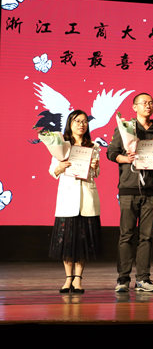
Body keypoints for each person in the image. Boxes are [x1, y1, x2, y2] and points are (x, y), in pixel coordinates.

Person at [107, 93, 153, 292]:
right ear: (135, 107)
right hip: (128, 187)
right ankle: (123, 279)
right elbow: (111, 153)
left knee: (146, 236)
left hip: (151, 188)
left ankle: (143, 278)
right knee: (126, 235)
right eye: (144, 103)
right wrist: (127, 159)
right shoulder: (125, 128)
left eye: (151, 103)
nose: (148, 106)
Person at [48, 110, 101, 294]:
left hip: (87, 197)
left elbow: (96, 173)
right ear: (70, 124)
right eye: (77, 121)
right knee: (67, 241)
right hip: (67, 199)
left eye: (84, 121)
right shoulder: (62, 145)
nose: (81, 124)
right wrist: (60, 167)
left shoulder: (93, 146)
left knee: (83, 240)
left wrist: (95, 167)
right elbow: (52, 171)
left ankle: (78, 279)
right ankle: (68, 278)